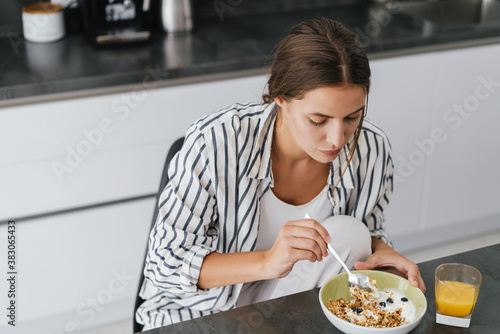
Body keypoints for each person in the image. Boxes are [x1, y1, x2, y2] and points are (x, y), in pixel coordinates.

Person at [136, 17, 426, 330]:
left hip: (287, 307)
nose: (338, 139)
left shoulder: (371, 148)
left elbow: (367, 234)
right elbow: (163, 264)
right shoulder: (216, 143)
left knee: (351, 231)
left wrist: (385, 254)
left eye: (352, 117)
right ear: (280, 99)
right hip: (201, 313)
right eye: (318, 120)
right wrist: (269, 261)